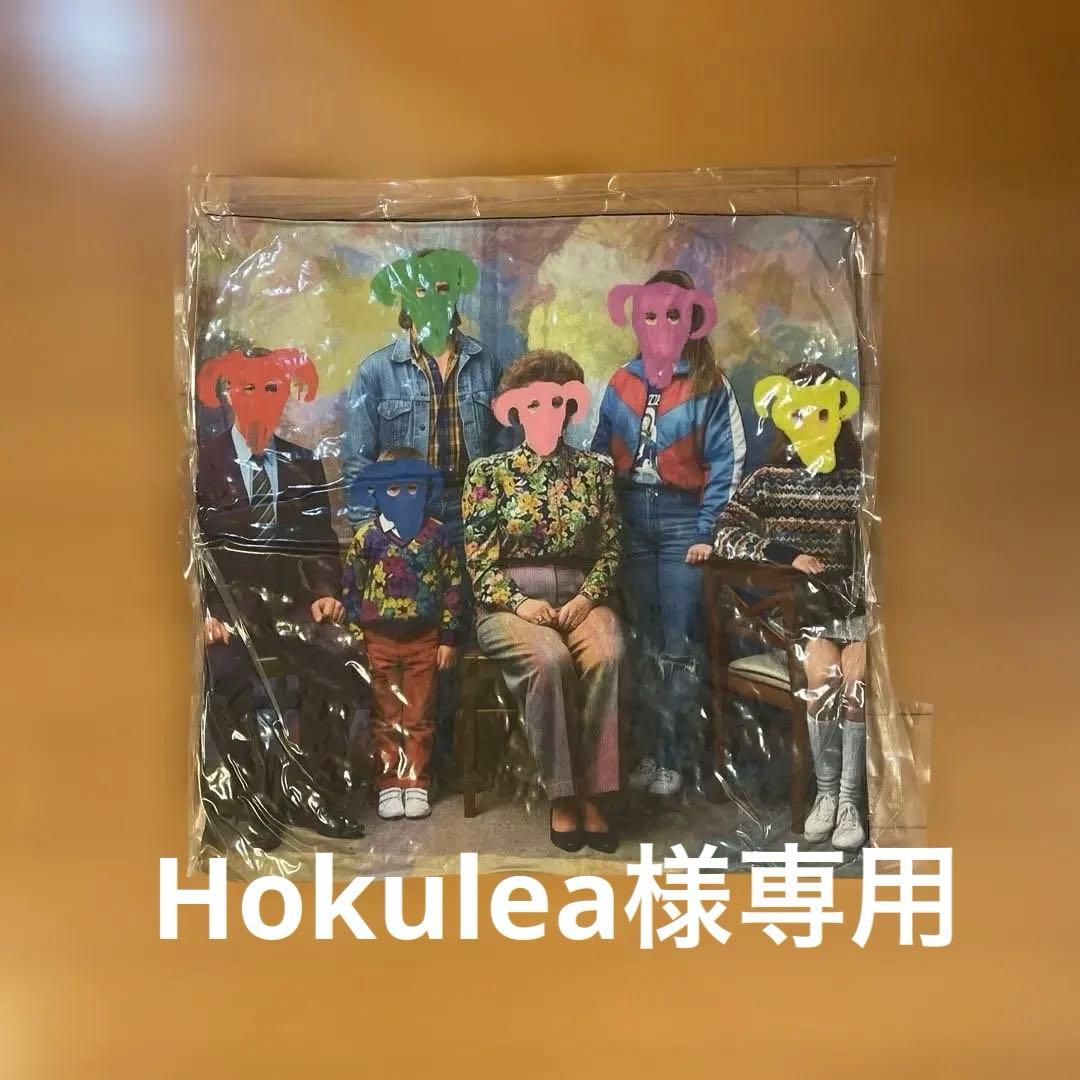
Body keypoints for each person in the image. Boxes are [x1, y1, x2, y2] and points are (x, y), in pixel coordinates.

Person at [343, 248, 509, 784]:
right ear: (403, 300)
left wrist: (498, 520)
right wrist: (372, 532)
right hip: (405, 518)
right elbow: (357, 462)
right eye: (421, 290)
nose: (433, 300)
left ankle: (457, 756)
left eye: (442, 289)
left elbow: (504, 450)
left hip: (471, 514)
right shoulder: (376, 371)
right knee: (409, 635)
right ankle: (410, 765)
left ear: (456, 295)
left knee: (459, 633)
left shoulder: (486, 363)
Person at [195, 345, 363, 852]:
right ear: (229, 395)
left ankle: (314, 791)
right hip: (226, 609)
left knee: (340, 657)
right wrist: (201, 613)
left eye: (272, 389)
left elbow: (320, 542)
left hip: (291, 605)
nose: (260, 398)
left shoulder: (303, 462)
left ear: (285, 395)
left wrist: (325, 594)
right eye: (248, 388)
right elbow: (184, 547)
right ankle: (257, 803)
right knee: (225, 674)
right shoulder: (202, 463)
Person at [463, 350, 624, 853]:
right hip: (509, 602)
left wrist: (587, 597)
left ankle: (595, 791)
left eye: (557, 402)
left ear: (571, 407)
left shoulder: (595, 471)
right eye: (533, 404)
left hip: (581, 594)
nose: (547, 413)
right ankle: (563, 794)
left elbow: (612, 549)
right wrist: (519, 603)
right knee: (550, 659)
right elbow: (478, 564)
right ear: (514, 410)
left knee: (609, 653)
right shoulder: (487, 473)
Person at [594, 269, 746, 797]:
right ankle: (646, 750)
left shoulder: (709, 385)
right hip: (630, 516)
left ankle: (673, 756)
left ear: (693, 320)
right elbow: (599, 453)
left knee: (679, 643)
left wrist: (707, 531)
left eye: (673, 314)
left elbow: (727, 465)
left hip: (684, 519)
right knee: (641, 641)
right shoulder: (622, 381)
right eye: (651, 314)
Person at [713, 361, 867, 850]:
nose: (810, 423)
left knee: (857, 678)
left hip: (859, 614)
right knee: (824, 676)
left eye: (821, 413)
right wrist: (786, 555)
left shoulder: (860, 481)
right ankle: (826, 794)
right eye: (798, 413)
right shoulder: (769, 480)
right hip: (803, 616)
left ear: (839, 414)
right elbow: (725, 532)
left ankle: (850, 801)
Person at [342, 449, 464, 822]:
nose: (403, 496)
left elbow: (452, 586)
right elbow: (352, 589)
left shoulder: (437, 534)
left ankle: (416, 781)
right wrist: (356, 637)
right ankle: (389, 783)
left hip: (423, 639)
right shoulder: (367, 537)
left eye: (412, 488)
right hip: (377, 640)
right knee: (385, 713)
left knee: (419, 713)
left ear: (425, 490)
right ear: (377, 492)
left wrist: (448, 638)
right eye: (393, 489)